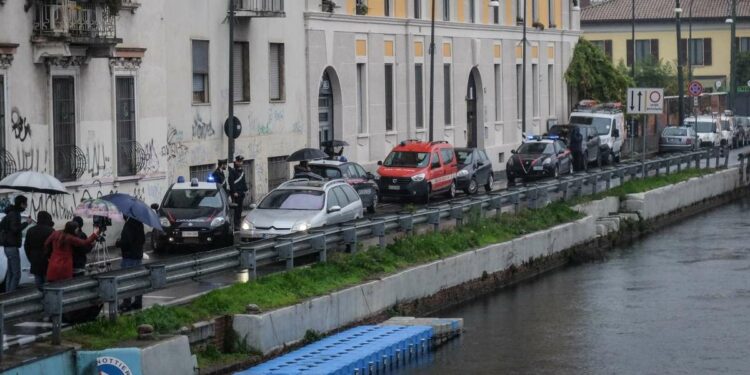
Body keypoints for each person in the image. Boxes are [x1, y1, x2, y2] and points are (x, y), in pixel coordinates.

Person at [0, 196, 30, 292]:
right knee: (16, 273)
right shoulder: (15, 214)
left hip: (7, 246)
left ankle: (8, 294)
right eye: (25, 203)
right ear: (21, 204)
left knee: (10, 272)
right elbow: (15, 229)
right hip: (12, 246)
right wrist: (26, 223)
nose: (26, 206)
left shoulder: (9, 213)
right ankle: (12, 296)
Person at [117, 217, 145, 311]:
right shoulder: (139, 223)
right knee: (138, 279)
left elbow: (126, 242)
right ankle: (138, 301)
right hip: (138, 256)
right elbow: (143, 240)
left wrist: (118, 243)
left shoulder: (129, 225)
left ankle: (126, 302)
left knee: (127, 280)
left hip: (129, 257)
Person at [24, 211, 54, 290]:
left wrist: (30, 257)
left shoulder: (30, 230)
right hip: (46, 259)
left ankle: (40, 297)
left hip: (34, 259)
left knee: (38, 281)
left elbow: (26, 247)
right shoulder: (50, 230)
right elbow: (53, 247)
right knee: (48, 283)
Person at [228, 155, 249, 230]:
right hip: (235, 194)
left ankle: (238, 223)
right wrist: (234, 192)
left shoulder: (242, 171)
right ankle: (235, 225)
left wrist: (246, 190)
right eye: (239, 161)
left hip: (241, 193)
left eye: (241, 162)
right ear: (236, 162)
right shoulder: (233, 171)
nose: (240, 163)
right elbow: (231, 182)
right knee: (236, 210)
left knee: (240, 210)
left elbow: (243, 182)